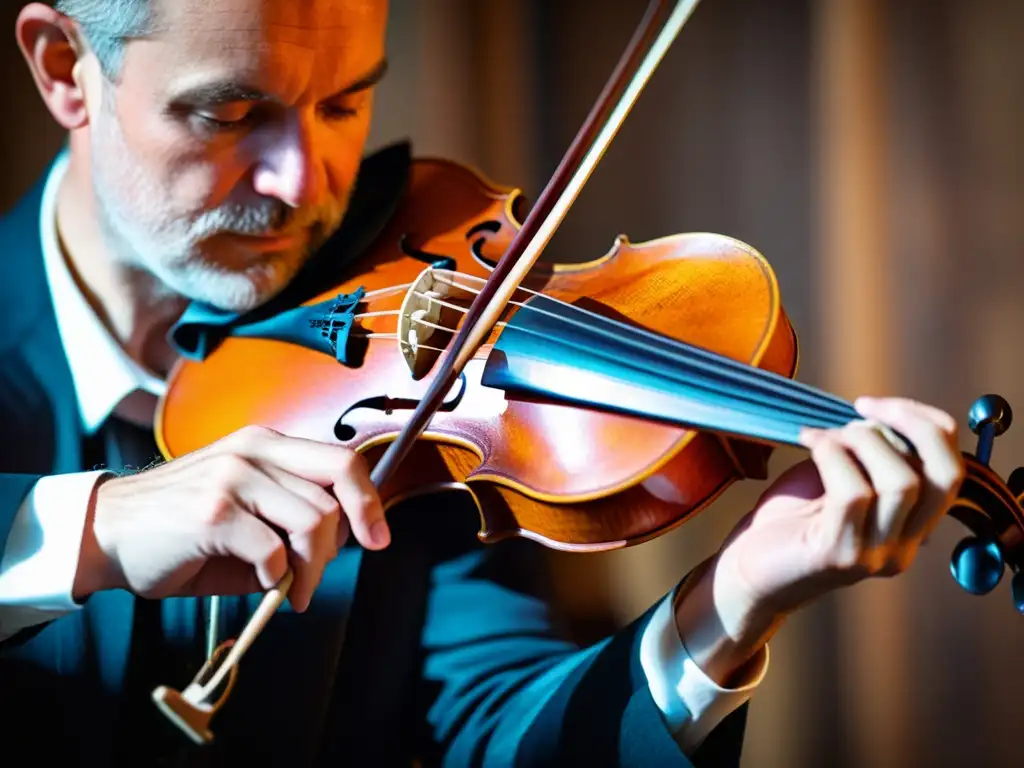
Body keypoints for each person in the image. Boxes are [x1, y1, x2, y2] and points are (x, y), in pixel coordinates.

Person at [0, 0, 966, 765]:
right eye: (232, 112)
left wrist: (734, 599)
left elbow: (502, 734)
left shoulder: (413, 395)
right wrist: (85, 530)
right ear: (64, 68)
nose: (305, 181)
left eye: (344, 103)